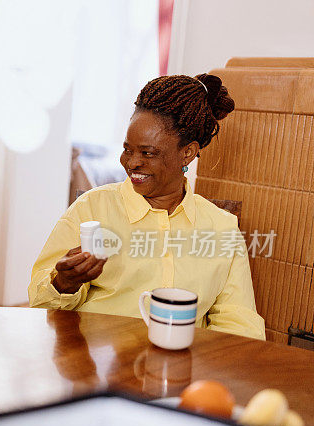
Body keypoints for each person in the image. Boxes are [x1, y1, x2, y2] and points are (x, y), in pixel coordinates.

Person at [29, 74, 265, 340]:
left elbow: (239, 322)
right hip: (98, 369)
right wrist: (64, 283)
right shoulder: (91, 209)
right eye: (127, 149)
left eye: (148, 153)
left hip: (179, 372)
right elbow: (40, 302)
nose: (132, 163)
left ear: (187, 153)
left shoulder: (222, 227)